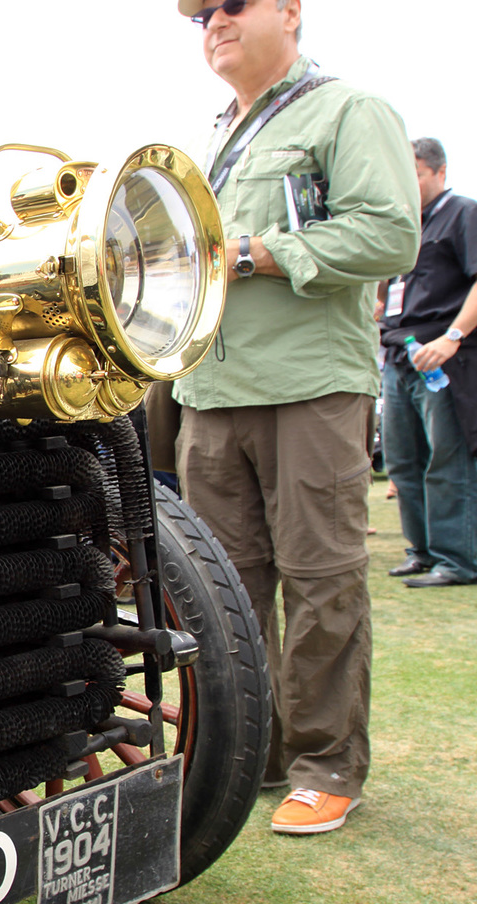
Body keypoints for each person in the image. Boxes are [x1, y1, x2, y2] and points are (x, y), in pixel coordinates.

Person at [170, 2, 419, 835]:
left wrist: (257, 251)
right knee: (226, 592)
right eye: (200, 14)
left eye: (230, 5)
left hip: (309, 385)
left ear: (289, 12)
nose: (213, 22)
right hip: (213, 390)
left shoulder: (349, 110)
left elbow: (390, 233)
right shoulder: (215, 133)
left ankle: (327, 763)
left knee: (321, 577)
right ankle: (258, 750)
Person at [378, 138, 477, 588]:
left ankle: (457, 559)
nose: (409, 182)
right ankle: (421, 551)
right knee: (403, 460)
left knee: (446, 459)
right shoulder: (404, 226)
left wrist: (453, 337)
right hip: (398, 353)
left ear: (438, 172)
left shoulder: (462, 214)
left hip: (442, 357)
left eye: (416, 173)